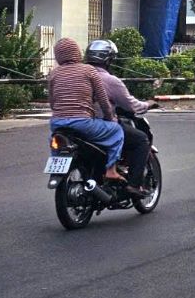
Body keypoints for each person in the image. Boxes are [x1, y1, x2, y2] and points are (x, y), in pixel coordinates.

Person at [85, 39, 158, 197]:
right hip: (98, 124)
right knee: (141, 140)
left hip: (71, 124)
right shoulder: (109, 80)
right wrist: (148, 104)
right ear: (108, 60)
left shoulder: (77, 76)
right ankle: (133, 184)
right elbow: (131, 105)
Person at [47, 37, 126, 184]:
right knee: (117, 131)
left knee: (53, 139)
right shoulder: (89, 70)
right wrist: (110, 118)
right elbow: (103, 100)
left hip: (57, 123)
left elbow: (52, 102)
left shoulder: (54, 74)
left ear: (58, 56)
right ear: (77, 53)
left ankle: (55, 168)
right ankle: (111, 170)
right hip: (83, 123)